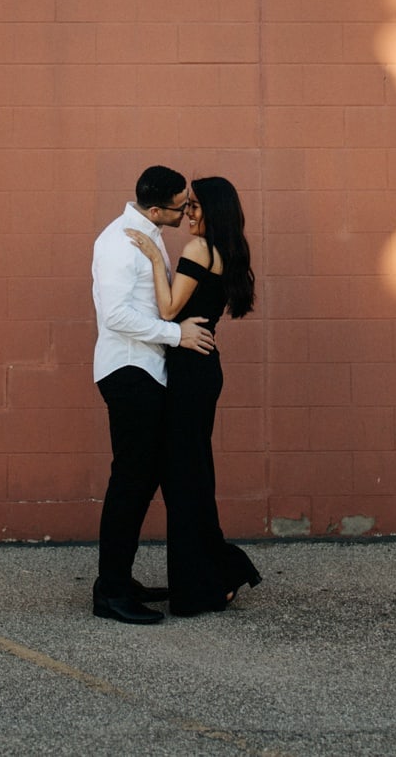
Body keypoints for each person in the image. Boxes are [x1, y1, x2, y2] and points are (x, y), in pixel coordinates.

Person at [125, 174, 261, 616]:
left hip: (191, 373)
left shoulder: (199, 249)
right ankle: (215, 575)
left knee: (186, 478)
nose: (189, 215)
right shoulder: (225, 251)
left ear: (214, 211)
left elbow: (168, 311)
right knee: (191, 476)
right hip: (197, 370)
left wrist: (150, 256)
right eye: (187, 207)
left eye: (196, 207)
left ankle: (210, 579)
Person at [90, 165, 216, 625]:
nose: (186, 215)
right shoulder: (119, 243)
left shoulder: (147, 231)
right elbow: (118, 316)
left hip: (146, 373)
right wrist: (174, 334)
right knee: (129, 483)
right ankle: (110, 593)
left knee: (142, 484)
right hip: (128, 371)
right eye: (181, 208)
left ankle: (120, 580)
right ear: (158, 207)